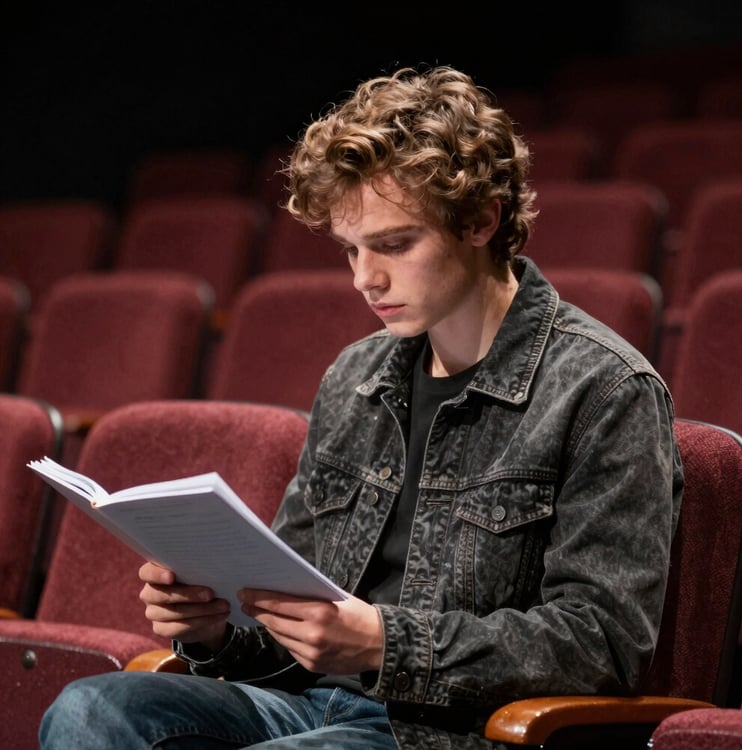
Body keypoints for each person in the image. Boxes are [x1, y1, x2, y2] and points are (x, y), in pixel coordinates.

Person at [39, 65, 682, 749]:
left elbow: (599, 644)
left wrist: (382, 641)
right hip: (306, 706)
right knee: (90, 711)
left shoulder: (603, 389)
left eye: (395, 245)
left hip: (445, 731)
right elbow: (284, 627)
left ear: (481, 220)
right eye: (351, 249)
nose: (364, 277)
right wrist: (215, 631)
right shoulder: (356, 374)